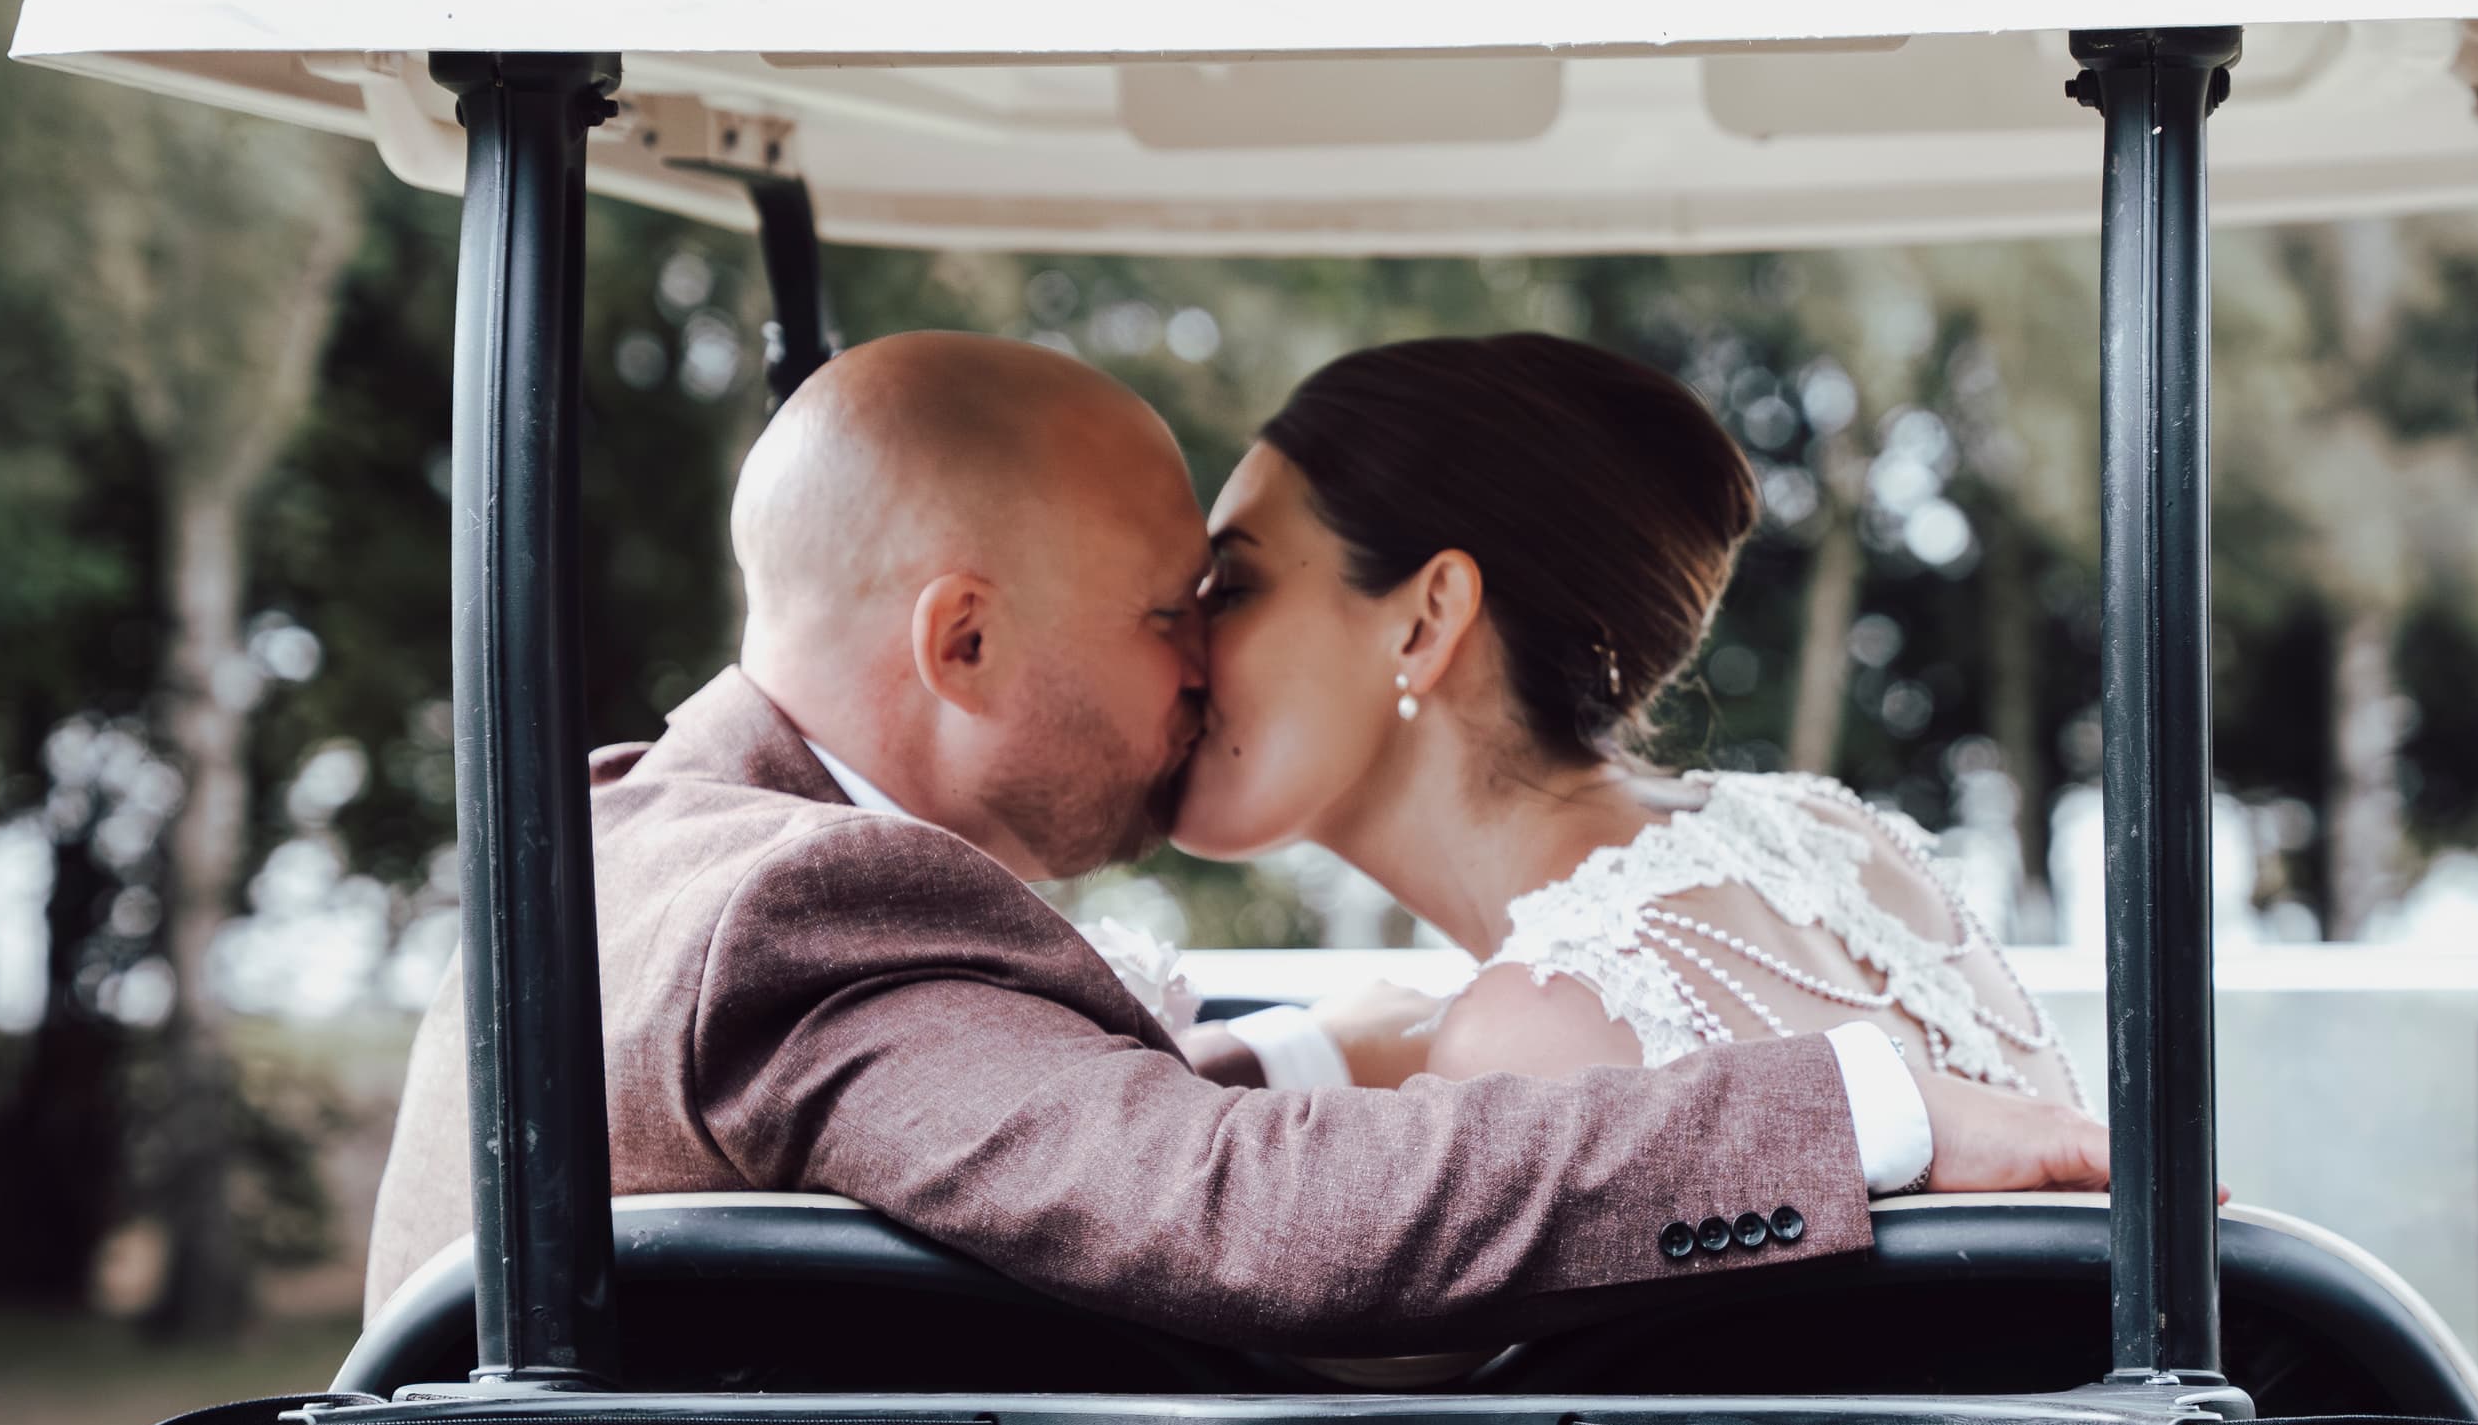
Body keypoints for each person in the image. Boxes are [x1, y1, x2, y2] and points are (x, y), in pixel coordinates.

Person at [363, 331, 2104, 1342]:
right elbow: (1218, 1210)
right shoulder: (804, 904)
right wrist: (1871, 1105)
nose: (1194, 663)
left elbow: (976, 1114)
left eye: (1223, 595)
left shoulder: (647, 835)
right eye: (1165, 607)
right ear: (961, 643)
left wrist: (1287, 1052)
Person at [1176, 331, 2094, 1122]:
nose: (1185, 637)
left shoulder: (1527, 1035)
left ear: (1425, 621)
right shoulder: (1835, 839)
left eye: (1236, 585)